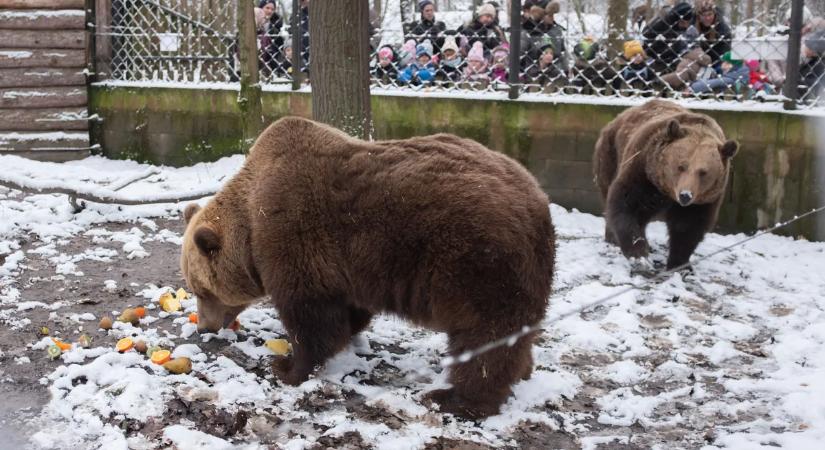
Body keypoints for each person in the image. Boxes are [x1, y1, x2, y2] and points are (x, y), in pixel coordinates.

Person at [642, 2, 694, 73]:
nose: (686, 26)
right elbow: (645, 34)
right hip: (653, 54)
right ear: (677, 19)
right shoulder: (662, 22)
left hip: (673, 55)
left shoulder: (683, 26)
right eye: (683, 23)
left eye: (687, 23)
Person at [692, 0, 731, 67]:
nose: (707, 18)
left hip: (717, 63)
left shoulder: (722, 29)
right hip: (697, 62)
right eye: (703, 15)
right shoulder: (692, 26)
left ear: (714, 14)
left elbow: (725, 52)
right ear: (699, 16)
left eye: (710, 14)